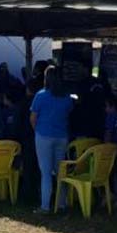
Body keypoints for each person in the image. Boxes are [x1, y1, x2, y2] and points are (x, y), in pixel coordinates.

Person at [30, 65, 74, 214]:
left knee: (46, 173)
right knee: (60, 171)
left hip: (43, 135)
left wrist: (37, 130)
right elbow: (69, 113)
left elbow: (33, 118)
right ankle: (61, 203)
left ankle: (45, 206)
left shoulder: (41, 95)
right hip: (61, 136)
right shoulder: (66, 97)